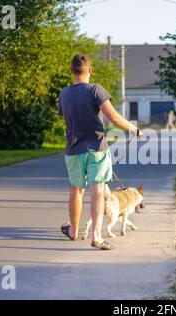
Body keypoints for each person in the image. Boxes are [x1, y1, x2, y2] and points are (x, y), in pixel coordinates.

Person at [58, 54, 142, 250]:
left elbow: (67, 118)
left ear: (71, 71)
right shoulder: (96, 90)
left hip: (73, 149)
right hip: (96, 148)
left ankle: (73, 231)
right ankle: (96, 237)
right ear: (90, 70)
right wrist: (133, 129)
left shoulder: (64, 95)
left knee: (76, 190)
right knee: (97, 191)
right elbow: (113, 118)